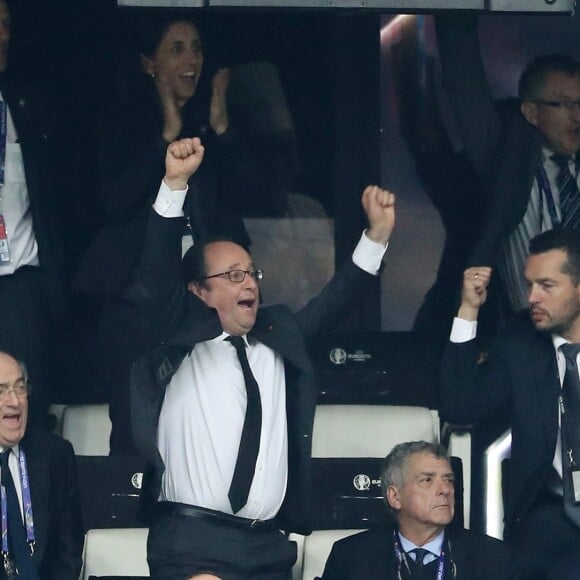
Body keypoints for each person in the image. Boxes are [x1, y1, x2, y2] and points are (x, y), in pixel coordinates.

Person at [130, 136, 395, 579]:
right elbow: (158, 271)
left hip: (269, 546)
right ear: (199, 291)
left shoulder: (280, 335)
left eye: (251, 273)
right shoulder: (179, 339)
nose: (249, 283)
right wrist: (175, 184)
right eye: (232, 276)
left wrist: (377, 237)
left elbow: (337, 301)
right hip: (195, 542)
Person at [76, 13, 248, 454]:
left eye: (197, 48)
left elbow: (250, 195)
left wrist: (222, 127)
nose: (191, 59)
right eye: (177, 48)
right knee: (138, 425)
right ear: (148, 63)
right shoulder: (121, 120)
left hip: (201, 297)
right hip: (136, 298)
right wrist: (164, 140)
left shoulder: (207, 123)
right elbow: (115, 202)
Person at [441, 227, 580, 578]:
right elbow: (461, 407)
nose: (531, 296)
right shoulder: (519, 340)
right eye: (529, 283)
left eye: (546, 286)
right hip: (549, 514)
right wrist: (468, 309)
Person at [436, 13, 580, 323]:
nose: (577, 116)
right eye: (564, 104)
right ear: (531, 112)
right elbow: (463, 80)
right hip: (528, 340)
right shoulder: (506, 159)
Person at [0, 0, 66, 429]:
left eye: (5, 24)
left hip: (19, 288)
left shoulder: (21, 105)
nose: (3, 34)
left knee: (25, 409)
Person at [321, 441, 509, 580]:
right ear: (395, 497)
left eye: (448, 479)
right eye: (427, 480)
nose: (445, 489)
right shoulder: (350, 556)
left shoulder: (493, 558)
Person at [0, 350, 84, 579]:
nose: (15, 401)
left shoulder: (55, 455)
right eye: (1, 391)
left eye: (20, 387)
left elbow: (68, 552)